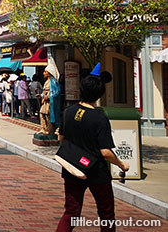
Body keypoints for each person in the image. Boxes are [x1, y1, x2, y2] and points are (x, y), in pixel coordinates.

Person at [56, 66, 129, 232]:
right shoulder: (100, 118)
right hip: (97, 172)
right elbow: (105, 152)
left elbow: (61, 138)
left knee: (71, 212)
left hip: (73, 168)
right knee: (106, 213)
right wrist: (121, 164)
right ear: (99, 94)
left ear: (81, 90)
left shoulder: (68, 112)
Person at [39, 61, 61, 135]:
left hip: (50, 102)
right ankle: (43, 128)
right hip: (44, 101)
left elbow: (56, 92)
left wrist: (48, 97)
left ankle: (50, 130)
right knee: (42, 114)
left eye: (45, 72)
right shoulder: (46, 82)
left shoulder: (53, 82)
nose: (44, 73)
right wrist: (41, 95)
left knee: (48, 115)